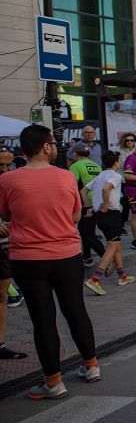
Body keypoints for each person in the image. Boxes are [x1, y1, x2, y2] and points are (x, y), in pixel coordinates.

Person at [0, 125, 100, 399]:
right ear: (46, 147)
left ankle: (53, 382)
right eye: (54, 143)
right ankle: (91, 366)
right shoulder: (66, 178)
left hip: (27, 259)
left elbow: (6, 216)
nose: (56, 147)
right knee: (75, 310)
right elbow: (76, 217)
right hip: (67, 255)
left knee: (43, 319)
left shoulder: (9, 180)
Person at [82, 150, 136, 294]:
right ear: (116, 162)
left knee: (115, 243)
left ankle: (122, 275)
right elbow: (107, 188)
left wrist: (89, 207)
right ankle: (95, 279)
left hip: (100, 215)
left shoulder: (99, 176)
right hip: (111, 213)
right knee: (112, 246)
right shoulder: (115, 176)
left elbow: (83, 191)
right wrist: (106, 204)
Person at [0, 147, 27, 360]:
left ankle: (0, 345)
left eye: (8, 165)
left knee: (2, 297)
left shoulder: (10, 183)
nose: (5, 169)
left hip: (4, 247)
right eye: (1, 165)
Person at [69, 142, 105, 266]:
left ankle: (106, 257)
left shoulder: (76, 166)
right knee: (88, 229)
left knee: (87, 232)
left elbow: (72, 185)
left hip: (85, 202)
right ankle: (87, 256)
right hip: (97, 200)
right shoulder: (96, 165)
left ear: (75, 154)